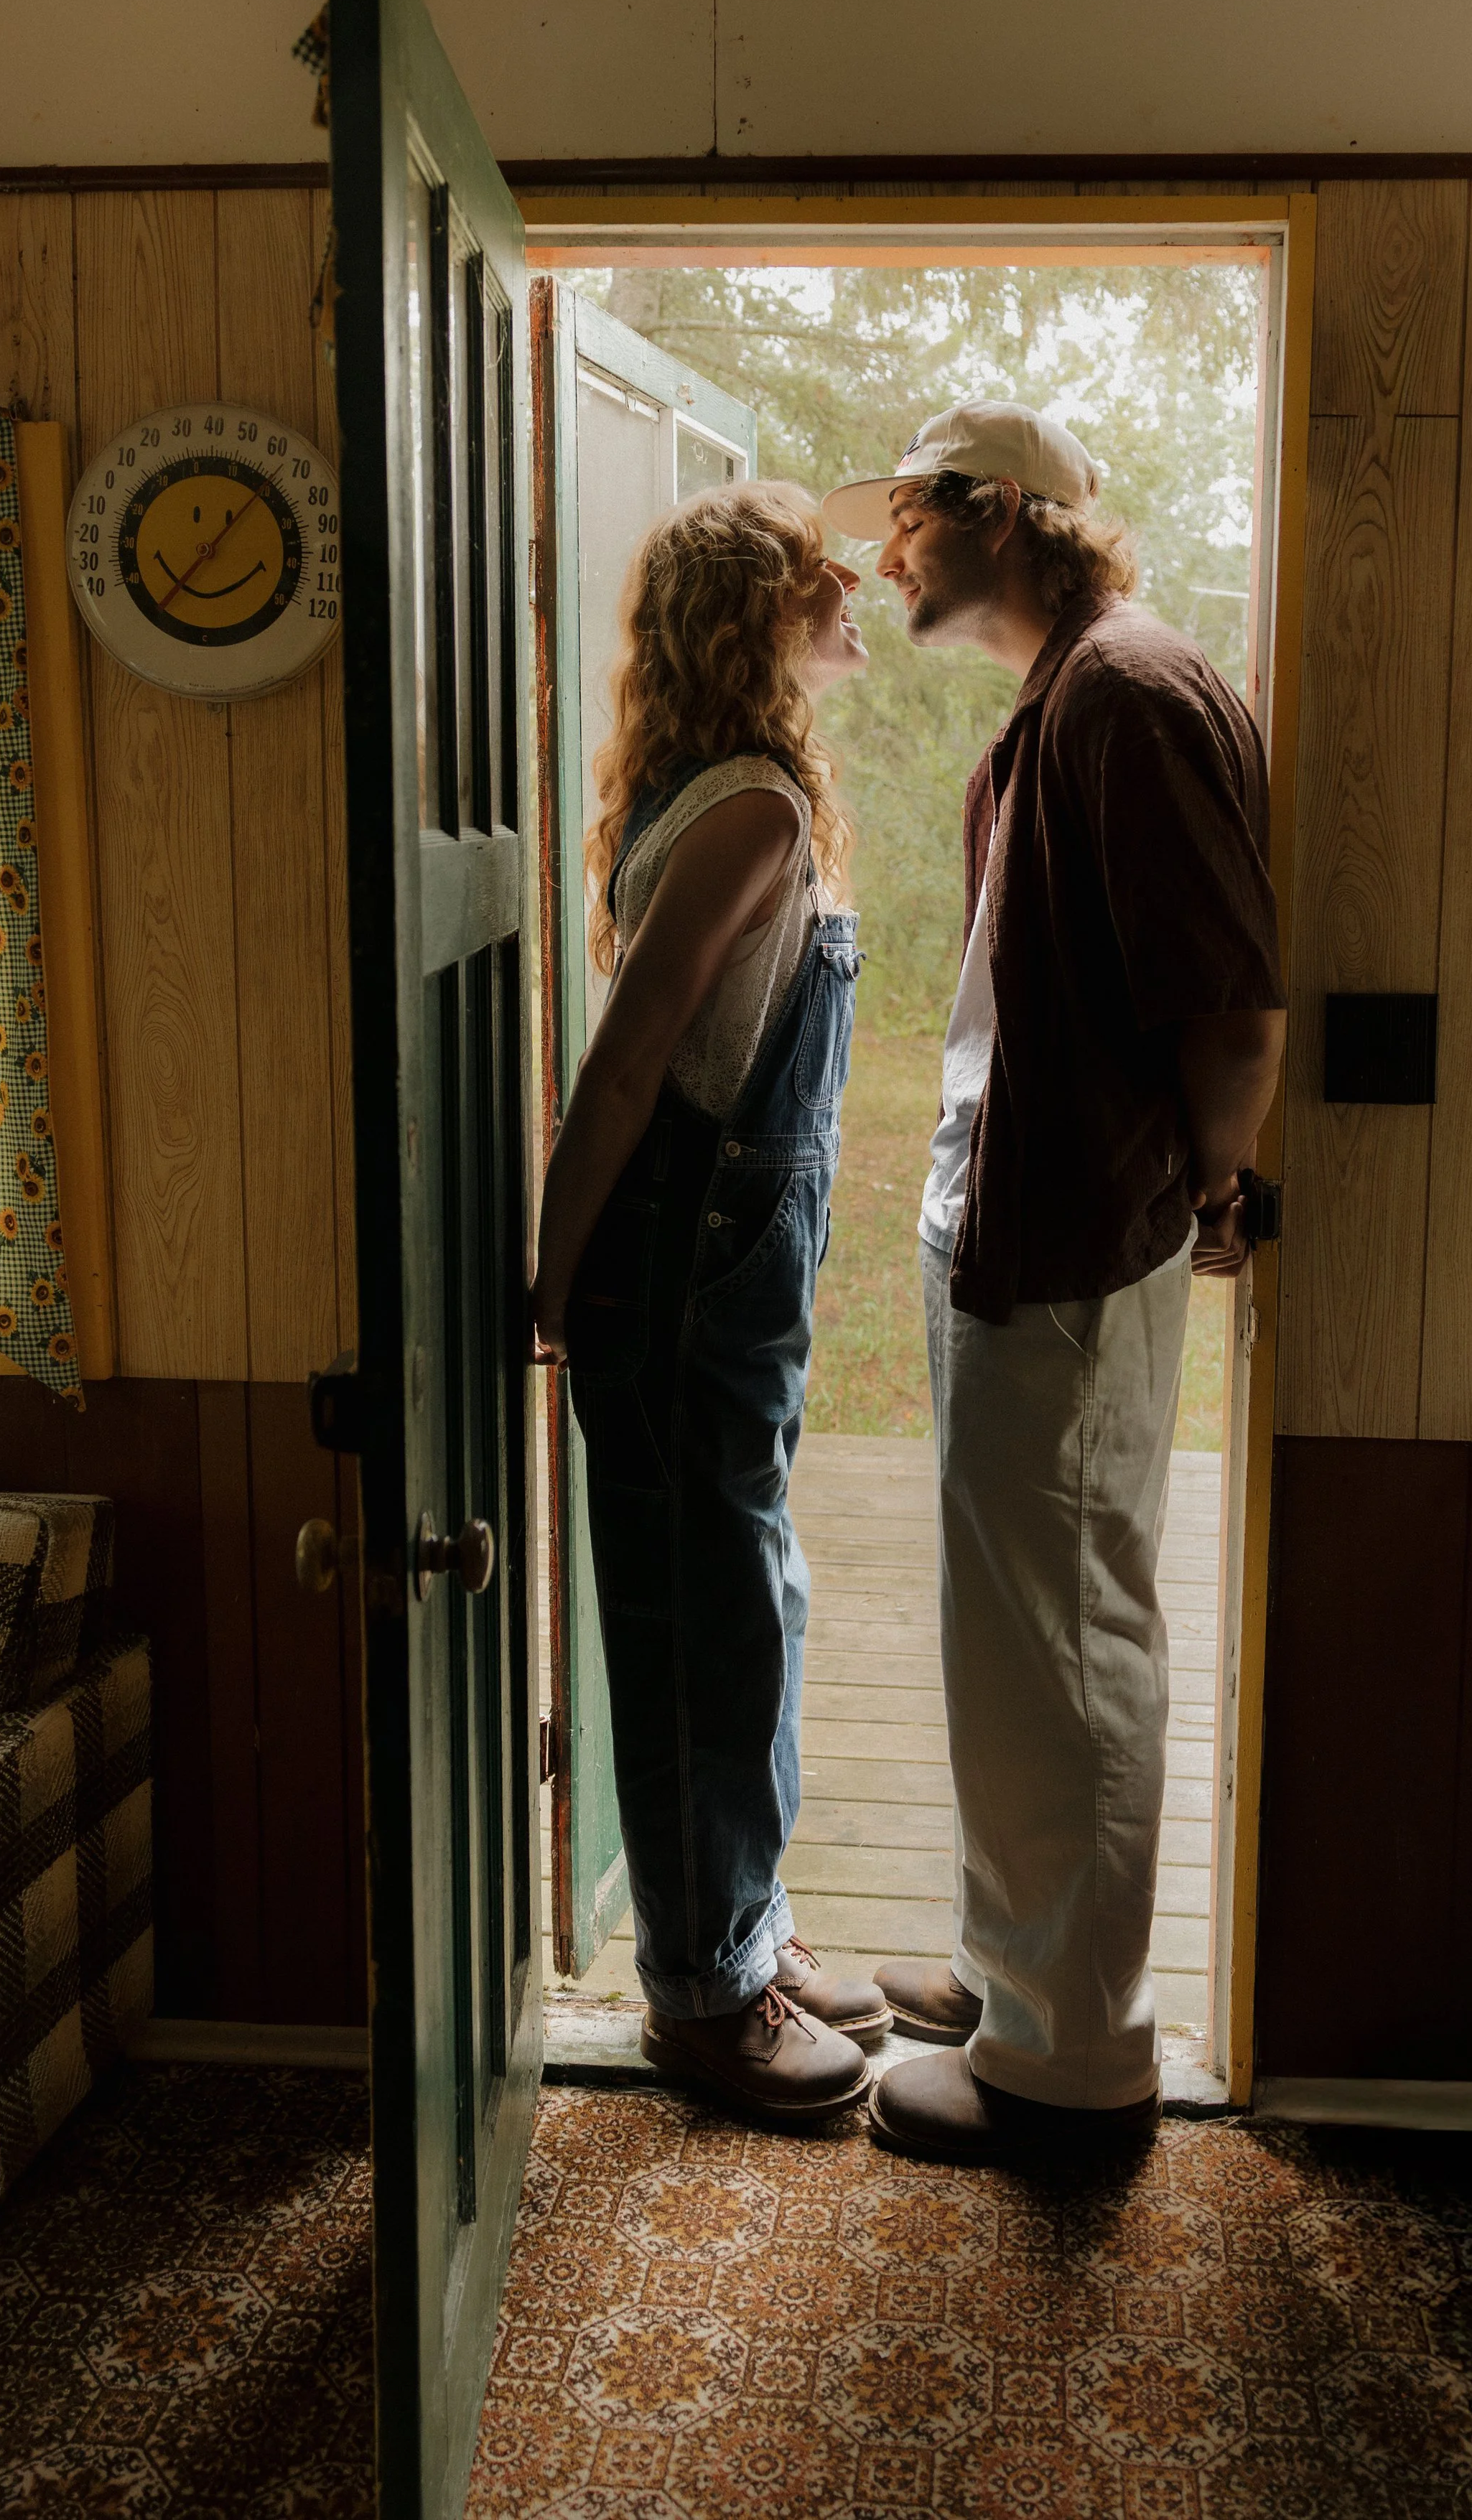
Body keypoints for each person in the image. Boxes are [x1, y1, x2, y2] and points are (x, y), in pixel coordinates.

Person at [821, 404, 1286, 2162]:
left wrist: (1207, 1182)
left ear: (1005, 509)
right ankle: (1011, 1967)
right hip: (1021, 1226)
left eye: (913, 516)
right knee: (1016, 1635)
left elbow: (1231, 1012)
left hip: (1072, 1237)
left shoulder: (1126, 692)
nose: (887, 552)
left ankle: (1069, 2064)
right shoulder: (1070, 693)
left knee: (1064, 1641)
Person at [531, 481, 890, 2126]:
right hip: (684, 1253)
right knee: (702, 1624)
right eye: (818, 576)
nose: (851, 589)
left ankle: (742, 1921)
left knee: (750, 1598)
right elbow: (623, 1067)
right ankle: (702, 1992)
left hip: (722, 1250)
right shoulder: (746, 809)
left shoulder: (731, 788)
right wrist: (557, 1270)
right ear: (753, 614)